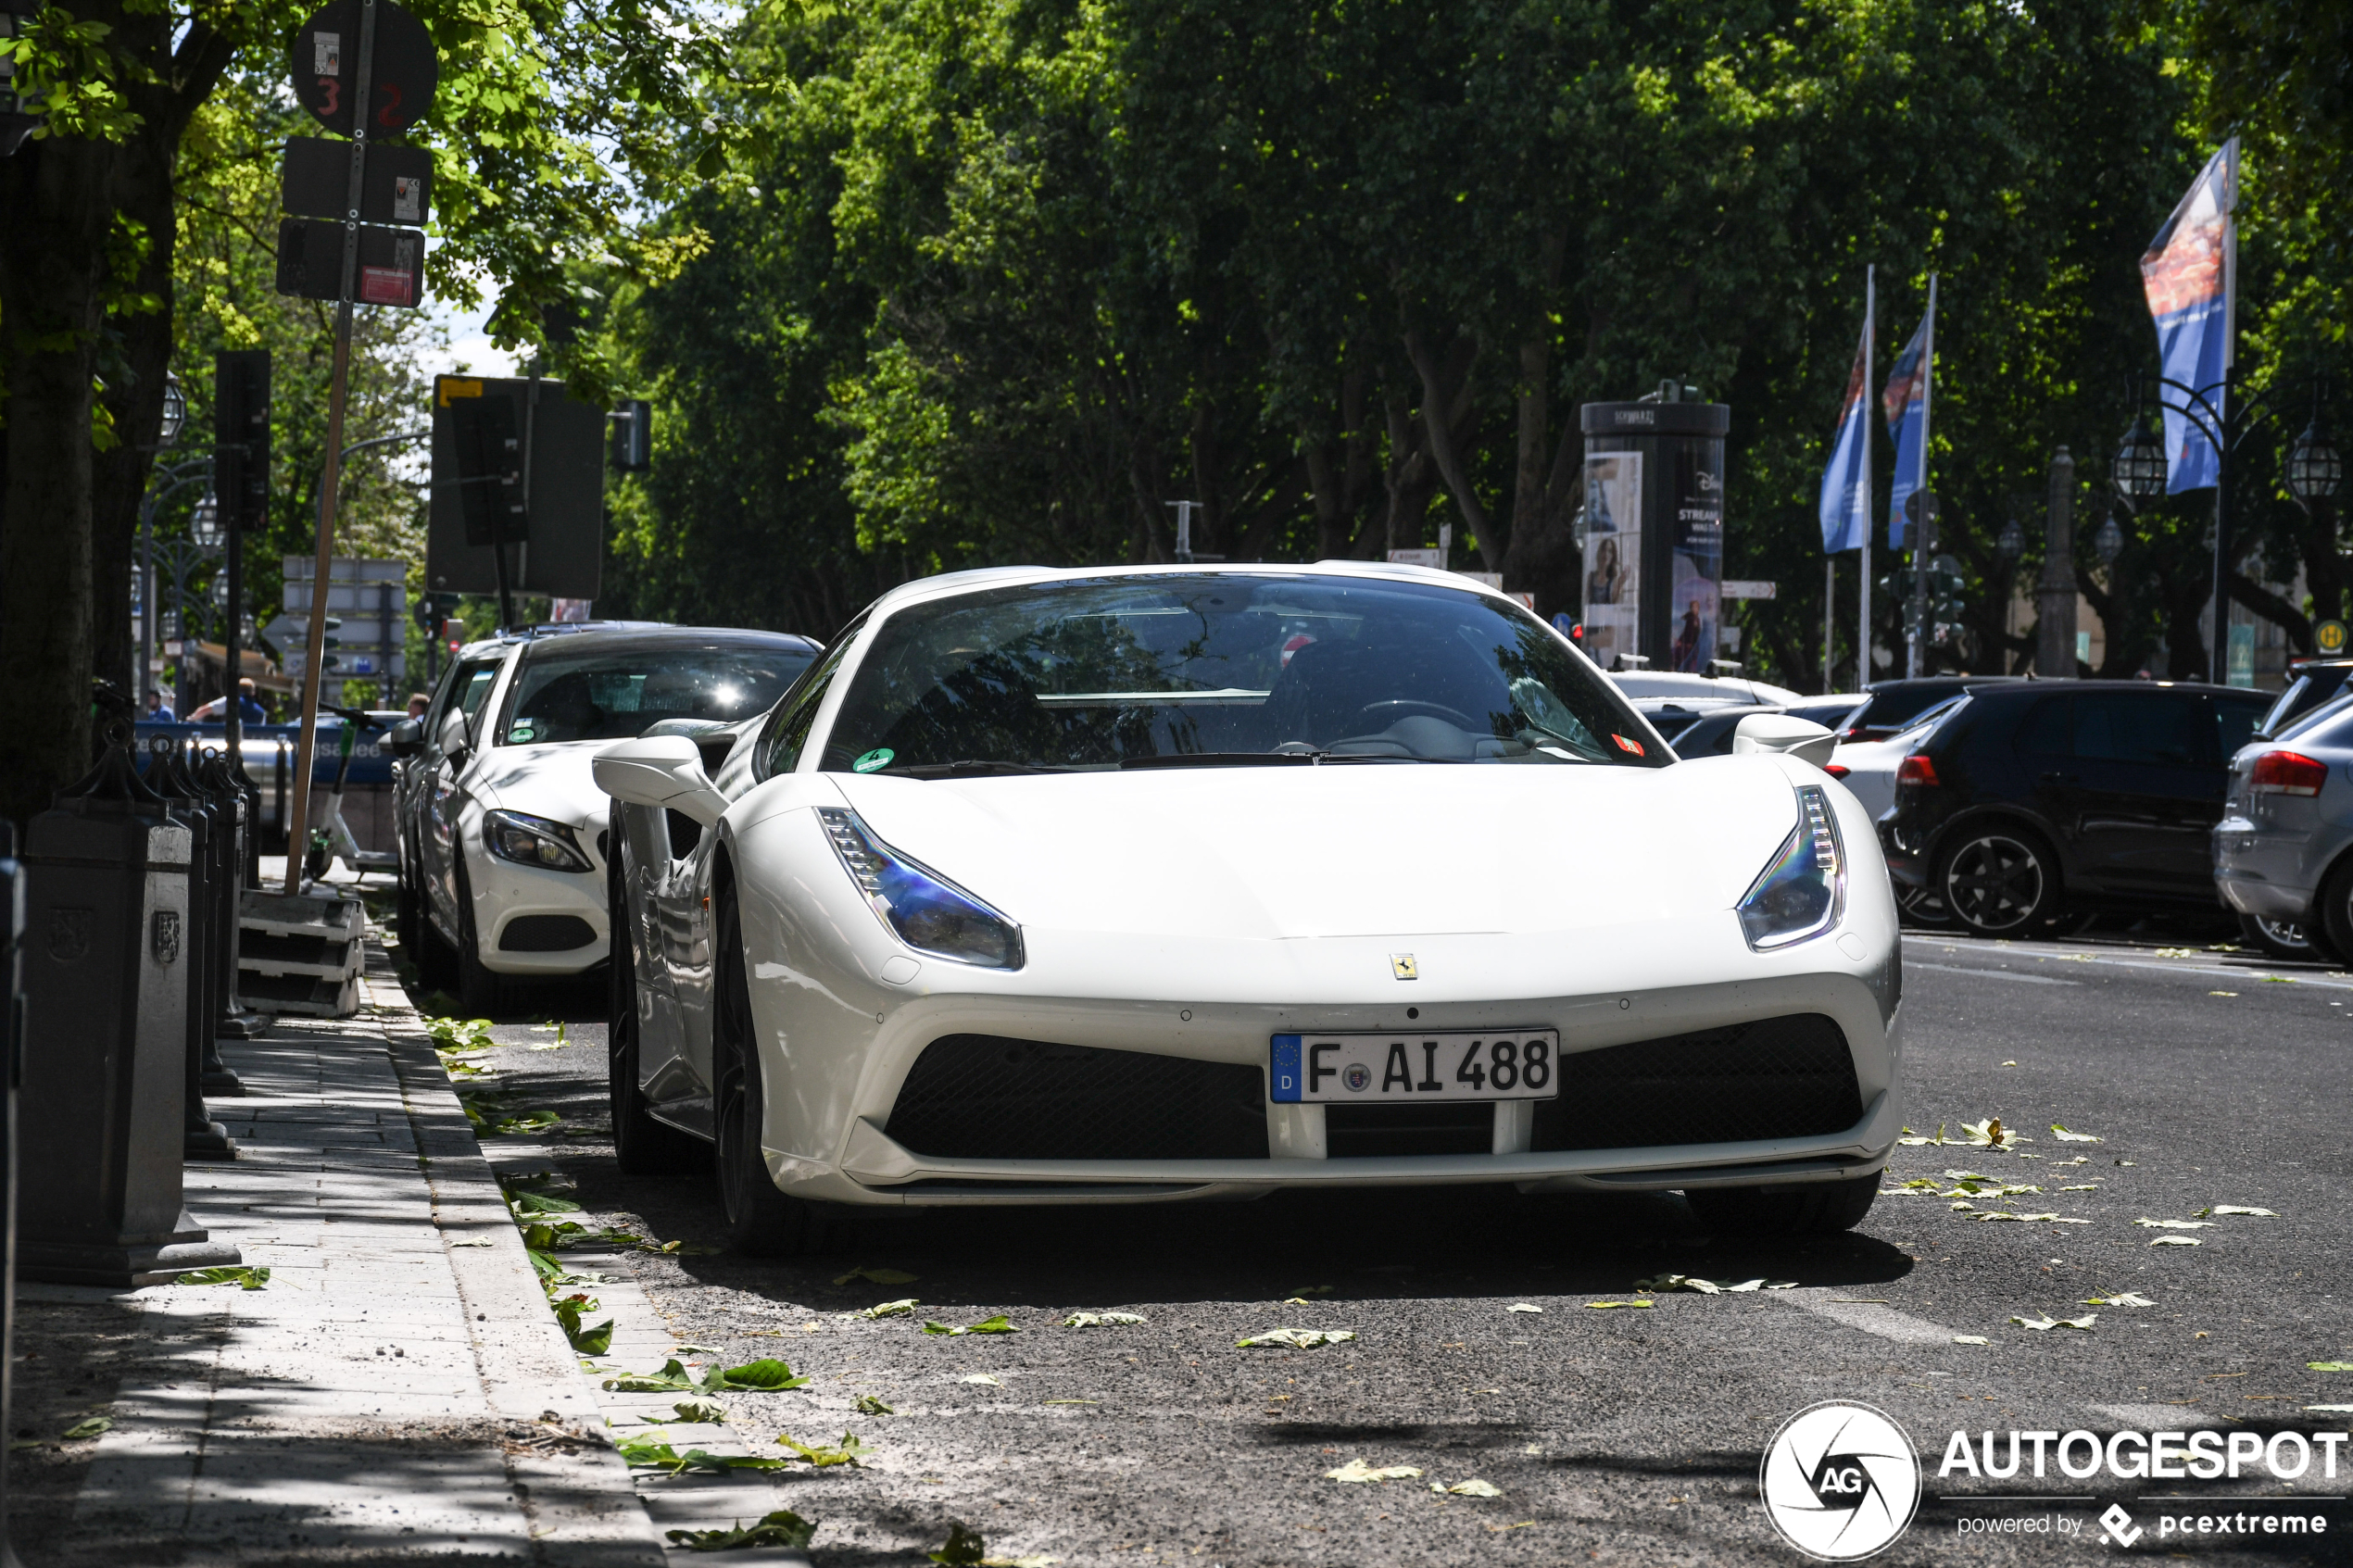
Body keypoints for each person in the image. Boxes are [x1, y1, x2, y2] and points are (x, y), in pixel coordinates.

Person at [188, 677, 266, 723]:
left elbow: (205, 710)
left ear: (237, 690)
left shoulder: (230, 702)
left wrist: (191, 719)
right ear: (253, 693)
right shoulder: (261, 712)